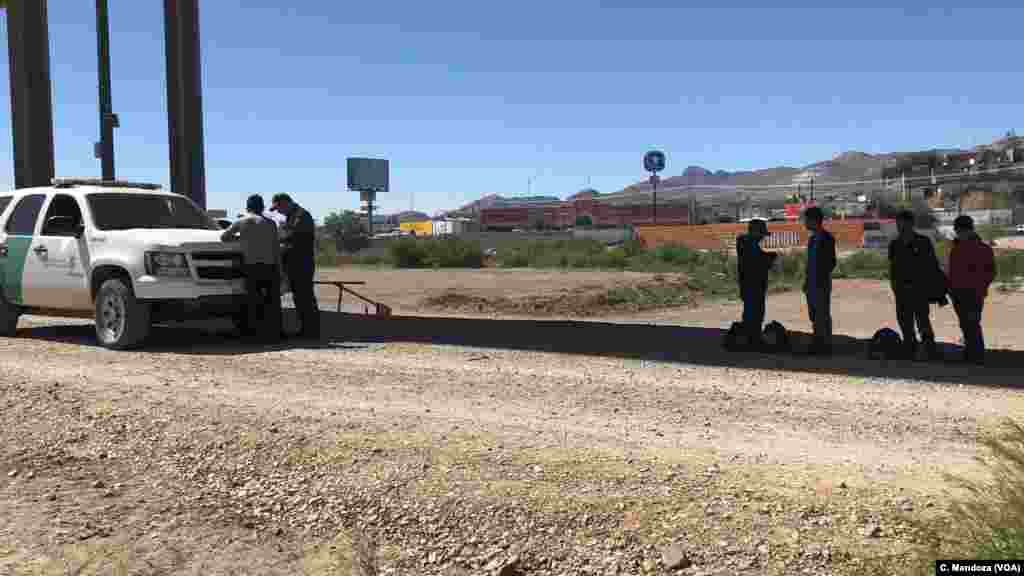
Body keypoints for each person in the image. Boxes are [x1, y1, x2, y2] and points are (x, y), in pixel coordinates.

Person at [221, 195, 282, 343]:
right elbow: (275, 248)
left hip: (251, 267)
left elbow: (224, 237)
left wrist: (242, 238)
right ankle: (275, 333)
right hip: (270, 266)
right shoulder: (271, 223)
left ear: (247, 207)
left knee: (253, 300)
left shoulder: (242, 221)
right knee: (272, 302)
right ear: (262, 207)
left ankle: (253, 333)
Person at [888, 210, 942, 360]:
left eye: (902, 223)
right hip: (901, 291)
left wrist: (935, 289)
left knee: (922, 321)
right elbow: (893, 267)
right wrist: (894, 287)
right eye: (898, 223)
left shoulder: (923, 242)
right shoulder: (895, 244)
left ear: (911, 224)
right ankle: (909, 349)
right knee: (905, 322)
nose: (899, 226)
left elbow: (932, 266)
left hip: (919, 290)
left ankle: (929, 350)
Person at [947, 215, 996, 365]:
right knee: (968, 324)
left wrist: (979, 287)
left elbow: (990, 272)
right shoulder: (958, 248)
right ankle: (972, 353)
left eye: (959, 231)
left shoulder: (978, 249)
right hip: (962, 294)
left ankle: (977, 355)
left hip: (971, 294)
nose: (958, 234)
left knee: (971, 324)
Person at [271, 193, 320, 340]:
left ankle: (311, 331)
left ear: (285, 203)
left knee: (305, 297)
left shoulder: (302, 215)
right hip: (295, 263)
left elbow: (295, 237)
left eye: (278, 208)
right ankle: (307, 330)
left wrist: (279, 239)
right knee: (300, 298)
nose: (278, 212)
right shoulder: (292, 216)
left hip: (302, 264)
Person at [736, 219, 778, 348]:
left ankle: (751, 337)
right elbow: (758, 262)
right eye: (761, 234)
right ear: (755, 232)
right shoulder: (750, 244)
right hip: (754, 284)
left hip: (748, 283)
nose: (762, 237)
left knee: (751, 311)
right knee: (755, 312)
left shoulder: (745, 242)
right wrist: (771, 257)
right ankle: (753, 339)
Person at [802, 206, 836, 355]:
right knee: (814, 315)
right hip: (811, 283)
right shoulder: (812, 240)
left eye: (806, 220)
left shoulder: (827, 238)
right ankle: (818, 342)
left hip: (820, 283)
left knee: (822, 314)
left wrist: (819, 277)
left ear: (814, 220)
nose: (804, 223)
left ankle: (825, 344)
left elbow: (831, 262)